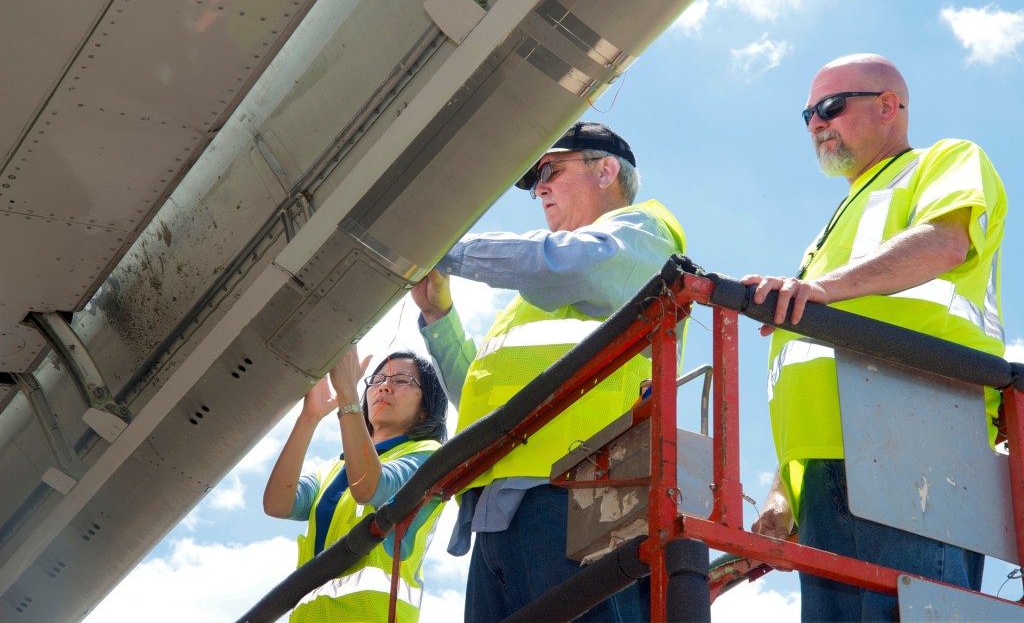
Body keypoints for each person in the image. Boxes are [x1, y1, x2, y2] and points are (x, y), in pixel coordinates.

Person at [742, 54, 1006, 621]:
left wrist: (822, 287)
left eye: (830, 106)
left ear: (888, 107)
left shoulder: (945, 160)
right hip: (826, 470)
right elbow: (808, 363)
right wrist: (784, 489)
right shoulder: (832, 229)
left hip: (918, 433)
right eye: (808, 115)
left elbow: (946, 242)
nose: (816, 123)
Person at [412, 121, 687, 621]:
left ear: (605, 170)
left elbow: (570, 265)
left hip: (587, 493)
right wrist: (438, 316)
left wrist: (442, 248)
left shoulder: (644, 234)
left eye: (550, 171)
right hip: (502, 511)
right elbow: (477, 396)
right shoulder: (529, 301)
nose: (538, 189)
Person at [263, 348, 448, 622]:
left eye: (401, 380)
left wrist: (347, 394)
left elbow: (369, 488)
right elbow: (277, 504)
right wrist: (310, 417)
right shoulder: (334, 468)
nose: (384, 387)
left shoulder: (428, 454)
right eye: (377, 380)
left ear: (425, 409)